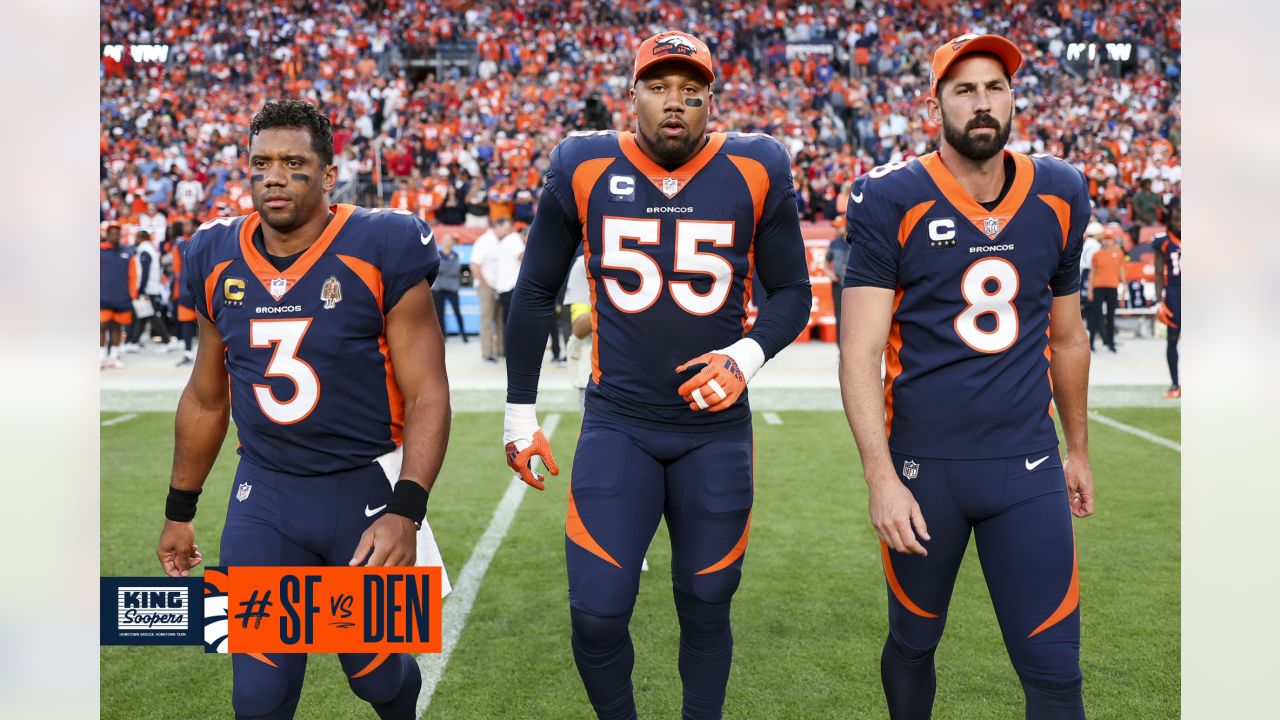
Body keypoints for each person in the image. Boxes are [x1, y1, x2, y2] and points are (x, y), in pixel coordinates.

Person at [501, 31, 811, 720]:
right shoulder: (582, 163)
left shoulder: (757, 166)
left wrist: (746, 356)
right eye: (659, 87)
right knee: (597, 612)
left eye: (691, 92)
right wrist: (518, 416)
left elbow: (792, 291)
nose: (675, 103)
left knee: (707, 602)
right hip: (620, 424)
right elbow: (532, 292)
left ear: (711, 103)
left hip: (716, 431)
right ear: (631, 95)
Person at [154, 100, 452, 720]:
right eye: (261, 163)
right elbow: (208, 396)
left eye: (294, 163)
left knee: (375, 679)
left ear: (327, 173)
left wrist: (408, 510)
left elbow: (428, 391)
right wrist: (180, 511)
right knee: (257, 697)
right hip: (264, 494)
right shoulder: (214, 255)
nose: (274, 176)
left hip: (364, 492)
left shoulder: (381, 243)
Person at [839, 34, 1095, 720]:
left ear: (1012, 97)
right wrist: (880, 478)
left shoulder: (1063, 189)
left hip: (1028, 465)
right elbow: (859, 350)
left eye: (994, 87)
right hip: (926, 471)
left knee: (1055, 670)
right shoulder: (891, 196)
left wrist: (1077, 449)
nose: (982, 104)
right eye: (964, 89)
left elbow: (1068, 337)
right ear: (936, 104)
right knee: (914, 641)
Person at [470, 216, 510, 362]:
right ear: (497, 226)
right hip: (486, 286)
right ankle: (487, 353)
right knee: (487, 320)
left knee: (500, 320)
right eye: (505, 229)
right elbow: (474, 265)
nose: (507, 232)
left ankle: (501, 350)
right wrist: (485, 284)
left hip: (499, 286)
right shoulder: (484, 241)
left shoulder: (503, 242)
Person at [1153, 197, 1181, 398]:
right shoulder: (1162, 242)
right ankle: (1175, 384)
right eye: (1177, 220)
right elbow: (1157, 273)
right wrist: (1159, 301)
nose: (1180, 223)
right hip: (1174, 293)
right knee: (1172, 339)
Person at [99, 224, 135, 369]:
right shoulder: (99, 251)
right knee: (101, 326)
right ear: (107, 235)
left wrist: (132, 295)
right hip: (103, 296)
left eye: (117, 233)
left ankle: (113, 357)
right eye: (112, 233)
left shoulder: (127, 252)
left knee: (117, 327)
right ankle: (100, 357)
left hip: (121, 296)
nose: (114, 236)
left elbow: (133, 276)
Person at [1089, 227, 1125, 352]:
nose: (1107, 242)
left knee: (1111, 316)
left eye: (1109, 239)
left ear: (1113, 241)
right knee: (1095, 316)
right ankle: (1091, 343)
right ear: (1102, 240)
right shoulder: (1096, 254)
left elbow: (1122, 271)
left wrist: (1124, 288)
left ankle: (1111, 343)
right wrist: (1090, 290)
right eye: (1105, 239)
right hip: (1098, 287)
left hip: (1112, 287)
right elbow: (1092, 273)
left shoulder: (1118, 253)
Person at [432, 232, 469, 342]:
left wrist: (442, 269)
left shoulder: (456, 255)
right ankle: (442, 336)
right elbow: (436, 271)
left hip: (452, 288)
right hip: (438, 288)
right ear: (442, 242)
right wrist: (444, 269)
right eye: (445, 240)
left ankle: (464, 335)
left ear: (452, 242)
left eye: (449, 240)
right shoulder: (436, 254)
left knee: (457, 311)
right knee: (439, 313)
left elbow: (454, 271)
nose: (447, 242)